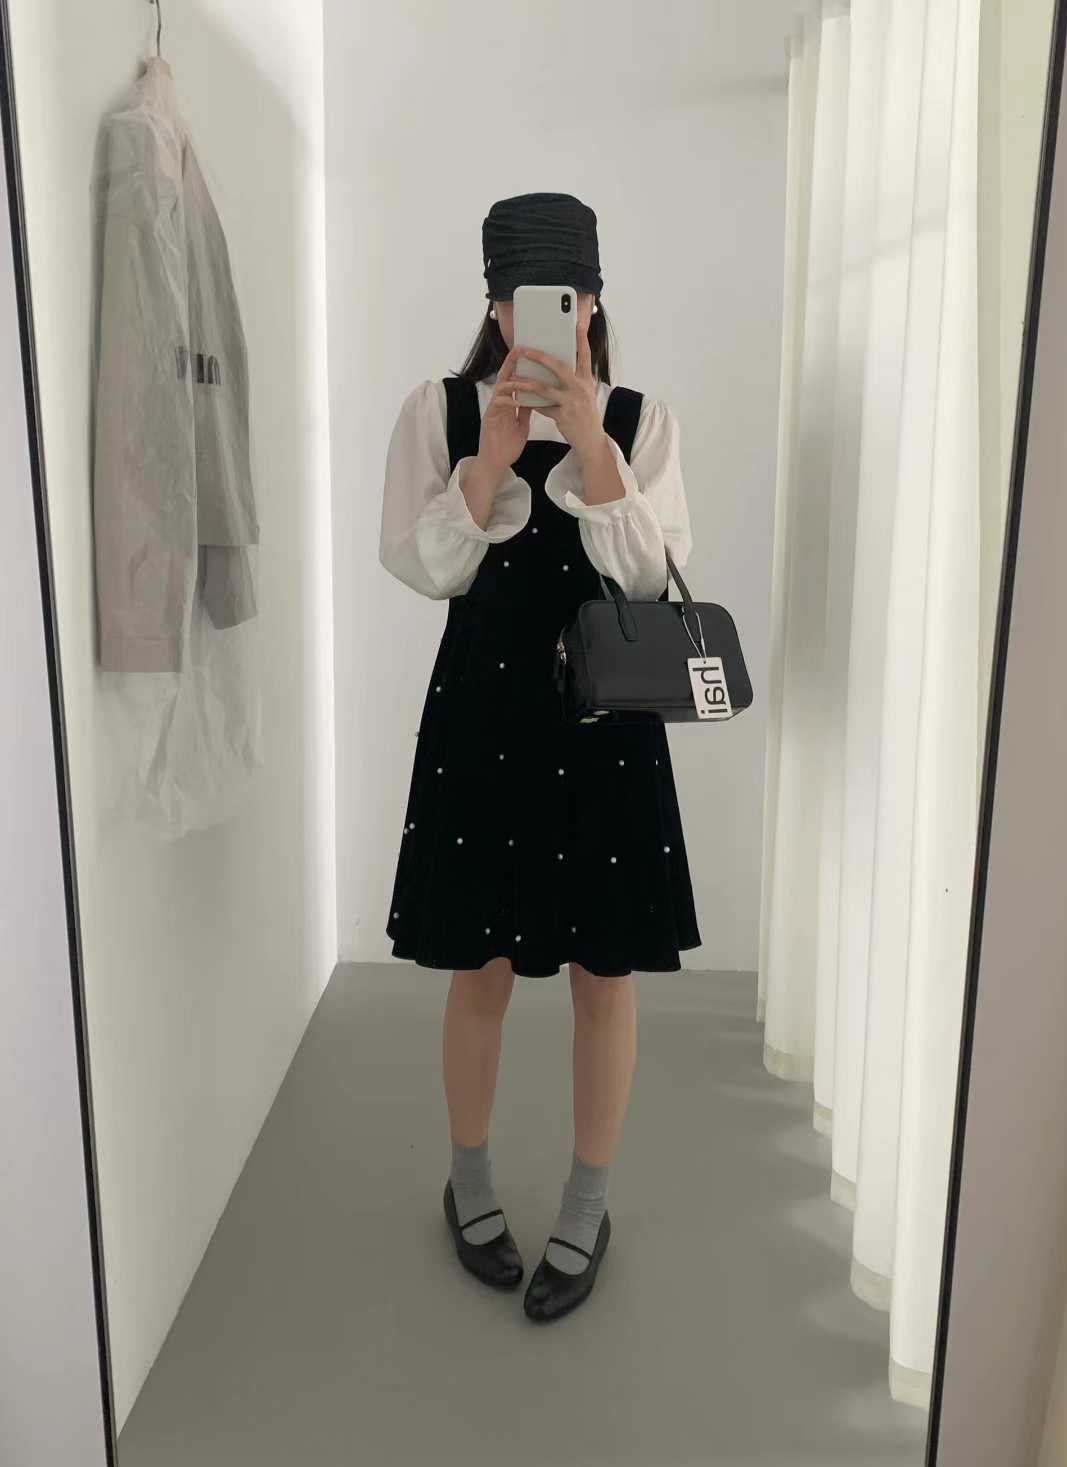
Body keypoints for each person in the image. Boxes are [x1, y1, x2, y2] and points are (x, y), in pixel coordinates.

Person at [378, 192, 700, 1323]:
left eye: (565, 296)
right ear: (495, 305)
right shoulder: (439, 410)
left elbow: (654, 578)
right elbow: (421, 567)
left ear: (593, 302)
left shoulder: (644, 421)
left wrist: (593, 448)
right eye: (520, 299)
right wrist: (492, 463)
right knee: (481, 966)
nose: (543, 318)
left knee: (605, 975)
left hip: (606, 728)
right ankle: (467, 1183)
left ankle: (587, 1204)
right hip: (483, 720)